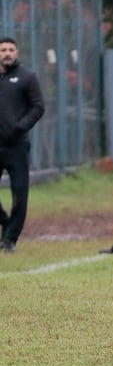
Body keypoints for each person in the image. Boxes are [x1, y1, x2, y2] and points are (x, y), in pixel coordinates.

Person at [0, 37, 46, 253]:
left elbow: (37, 107)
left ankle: (10, 239)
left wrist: (20, 126)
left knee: (19, 193)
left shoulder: (27, 77)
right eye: (3, 50)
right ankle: (6, 222)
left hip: (17, 145)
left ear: (16, 52)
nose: (7, 53)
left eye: (11, 49)